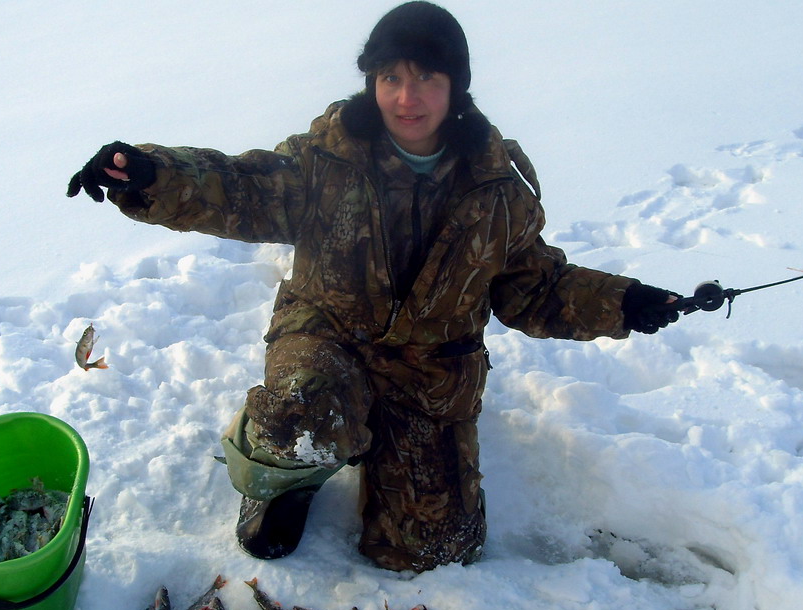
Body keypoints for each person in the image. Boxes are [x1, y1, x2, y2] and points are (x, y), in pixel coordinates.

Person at [67, 2, 679, 572]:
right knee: (294, 422)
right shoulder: (328, 157)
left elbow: (533, 287)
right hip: (327, 338)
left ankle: (376, 443)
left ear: (455, 88)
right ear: (372, 82)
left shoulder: (498, 189)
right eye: (390, 78)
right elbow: (244, 189)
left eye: (426, 80)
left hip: (429, 373)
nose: (406, 98)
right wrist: (149, 174)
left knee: (432, 551)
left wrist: (624, 302)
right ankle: (290, 477)